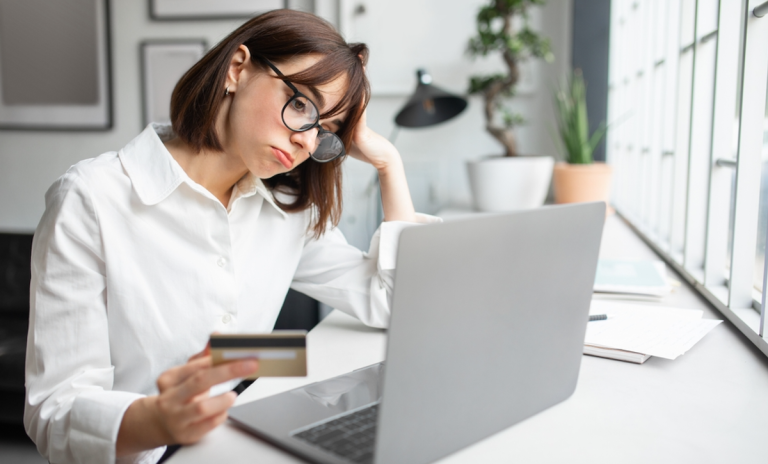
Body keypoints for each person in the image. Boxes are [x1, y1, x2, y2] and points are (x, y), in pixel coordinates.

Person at [24, 9, 435, 464]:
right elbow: (54, 409)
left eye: (327, 131)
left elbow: (390, 301)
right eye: (301, 105)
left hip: (241, 438)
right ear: (238, 69)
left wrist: (388, 164)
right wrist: (159, 420)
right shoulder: (92, 198)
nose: (306, 141)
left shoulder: (286, 211)